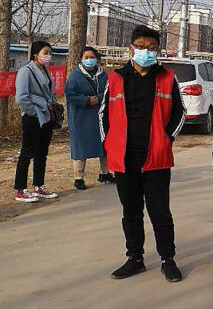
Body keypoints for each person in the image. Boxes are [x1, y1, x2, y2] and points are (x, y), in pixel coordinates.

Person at [100, 25, 186, 282]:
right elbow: (103, 114)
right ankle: (135, 258)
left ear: (157, 50)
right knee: (131, 211)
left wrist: (167, 140)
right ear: (131, 49)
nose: (145, 51)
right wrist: (109, 144)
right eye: (140, 46)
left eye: (151, 48)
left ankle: (167, 259)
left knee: (160, 211)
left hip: (156, 157)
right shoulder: (116, 77)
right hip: (124, 157)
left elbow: (179, 112)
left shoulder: (167, 77)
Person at [13, 41, 59, 203]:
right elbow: (21, 97)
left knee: (42, 152)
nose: (48, 56)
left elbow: (50, 92)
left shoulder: (45, 70)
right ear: (35, 54)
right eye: (45, 52)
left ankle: (38, 185)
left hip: (46, 116)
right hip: (33, 116)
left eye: (50, 53)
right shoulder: (26, 71)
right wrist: (33, 112)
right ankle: (20, 189)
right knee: (27, 152)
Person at [65, 46, 112, 190]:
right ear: (81, 59)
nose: (89, 60)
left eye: (92, 57)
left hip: (100, 115)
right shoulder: (75, 76)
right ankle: (78, 178)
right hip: (81, 116)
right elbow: (70, 94)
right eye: (86, 57)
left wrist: (99, 98)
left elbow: (110, 91)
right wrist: (86, 100)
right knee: (81, 147)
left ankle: (105, 173)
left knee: (104, 144)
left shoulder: (103, 75)